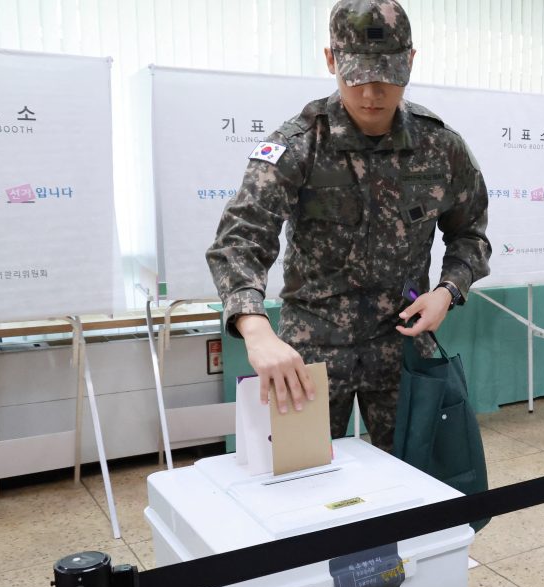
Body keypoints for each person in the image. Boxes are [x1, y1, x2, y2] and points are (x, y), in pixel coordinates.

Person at [206, 0, 491, 453]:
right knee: (302, 484)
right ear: (330, 60)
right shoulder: (298, 145)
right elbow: (240, 239)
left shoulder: (440, 146)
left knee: (412, 484)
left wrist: (447, 291)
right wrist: (255, 328)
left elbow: (470, 234)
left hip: (403, 347)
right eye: (357, 76)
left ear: (411, 61)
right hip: (309, 354)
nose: (371, 94)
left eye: (388, 76)